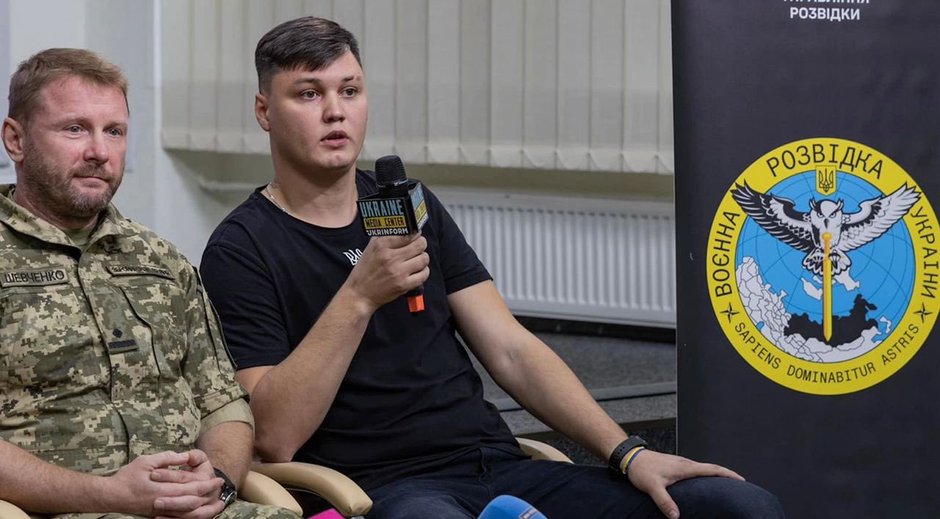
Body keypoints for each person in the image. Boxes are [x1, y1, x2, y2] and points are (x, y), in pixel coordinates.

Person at [200, 16, 785, 519]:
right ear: (264, 111)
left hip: (497, 464)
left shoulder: (408, 205)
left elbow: (510, 349)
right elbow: (275, 435)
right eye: (308, 94)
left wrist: (628, 452)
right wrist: (359, 297)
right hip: (387, 489)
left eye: (349, 90)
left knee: (738, 507)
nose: (335, 112)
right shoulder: (241, 248)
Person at [0, 48, 299, 519]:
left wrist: (217, 483)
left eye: (114, 131)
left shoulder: (160, 260)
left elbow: (223, 403)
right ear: (15, 140)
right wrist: (108, 495)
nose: (99, 151)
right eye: (74, 128)